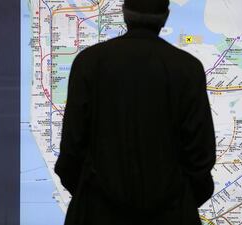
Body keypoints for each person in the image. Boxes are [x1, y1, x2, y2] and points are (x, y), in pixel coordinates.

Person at [54, 0, 216, 224]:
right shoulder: (188, 69)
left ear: (124, 14)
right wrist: (179, 202)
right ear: (166, 16)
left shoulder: (89, 63)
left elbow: (70, 155)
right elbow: (201, 158)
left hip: (97, 214)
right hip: (171, 216)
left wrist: (92, 198)